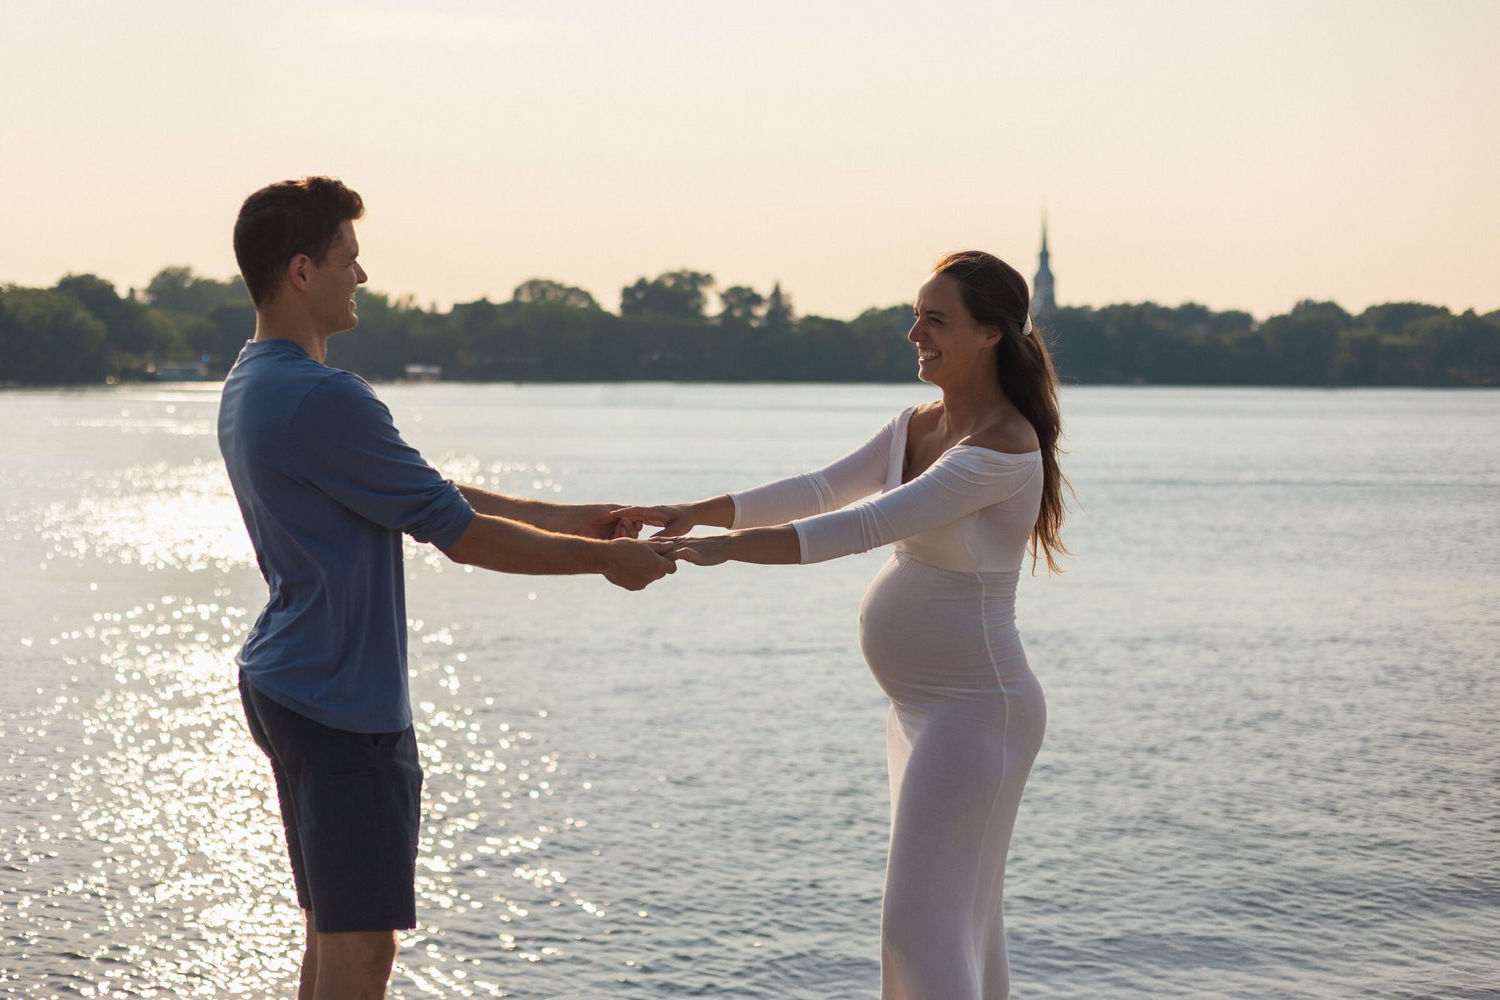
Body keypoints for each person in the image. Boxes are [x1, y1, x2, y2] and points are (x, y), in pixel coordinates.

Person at [217, 176, 676, 1000]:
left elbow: (424, 491)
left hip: (293, 681)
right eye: (348, 259)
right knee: (362, 948)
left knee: (333, 929)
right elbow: (459, 534)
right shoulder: (324, 395)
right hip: (339, 702)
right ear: (301, 271)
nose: (362, 276)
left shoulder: (255, 380)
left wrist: (571, 519)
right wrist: (603, 561)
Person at [616, 250, 1068, 1000]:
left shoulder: (1001, 448)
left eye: (935, 320)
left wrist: (721, 550)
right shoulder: (917, 425)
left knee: (919, 928)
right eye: (916, 316)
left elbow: (860, 526)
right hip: (921, 710)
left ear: (990, 333)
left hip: (977, 712)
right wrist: (695, 512)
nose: (915, 334)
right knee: (960, 924)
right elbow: (820, 489)